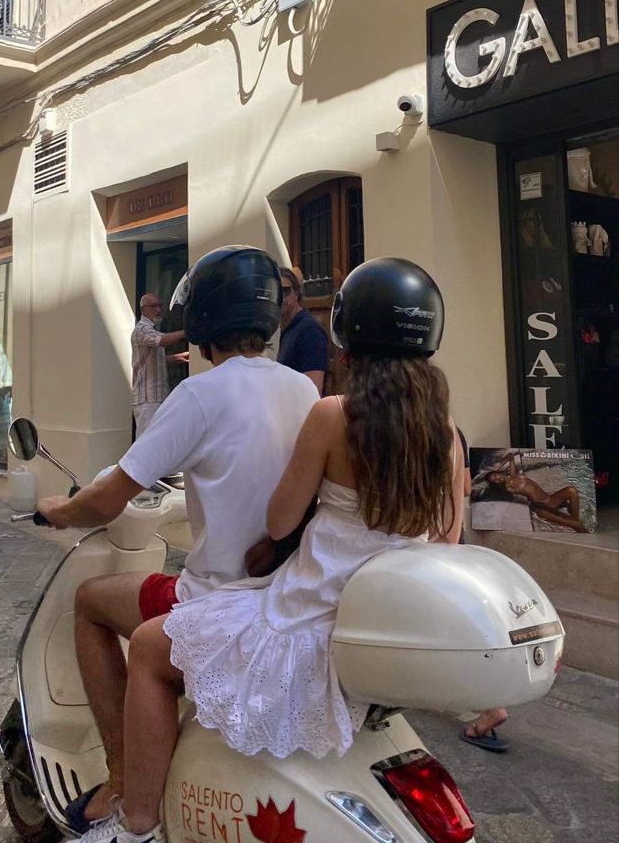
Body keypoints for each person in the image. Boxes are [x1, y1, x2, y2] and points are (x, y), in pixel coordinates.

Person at [75, 257, 464, 843]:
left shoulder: (334, 415)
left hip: (306, 617)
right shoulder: (450, 439)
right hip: (375, 623)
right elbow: (447, 542)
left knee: (154, 650)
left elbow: (281, 519)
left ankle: (136, 822)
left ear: (346, 340)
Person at [36, 247, 319, 830]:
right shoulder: (303, 391)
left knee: (90, 601)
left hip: (214, 601)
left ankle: (123, 786)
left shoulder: (199, 394)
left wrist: (61, 512)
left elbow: (111, 495)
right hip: (281, 597)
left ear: (206, 319)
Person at [457, 428, 509, 754]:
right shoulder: (454, 431)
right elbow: (464, 486)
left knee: (457, 626)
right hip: (451, 532)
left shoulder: (398, 422)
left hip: (421, 537)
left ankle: (491, 704)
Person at [131, 294, 188, 437]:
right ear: (143, 310)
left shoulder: (152, 329)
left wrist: (177, 358)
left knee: (156, 440)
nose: (158, 310)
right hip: (148, 398)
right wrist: (187, 331)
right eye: (153, 306)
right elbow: (162, 340)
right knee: (146, 443)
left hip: (158, 396)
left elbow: (149, 360)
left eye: (160, 306)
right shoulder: (142, 329)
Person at [487, 454, 589, 533]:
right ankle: (579, 528)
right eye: (495, 480)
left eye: (496, 476)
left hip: (549, 499)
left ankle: (574, 518)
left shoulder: (513, 475)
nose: (497, 478)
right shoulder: (508, 487)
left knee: (572, 490)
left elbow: (510, 457)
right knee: (576, 524)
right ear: (496, 484)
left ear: (498, 473)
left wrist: (497, 469)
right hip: (543, 507)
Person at [276, 267, 329, 394]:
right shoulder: (289, 328)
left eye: (286, 291)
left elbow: (313, 390)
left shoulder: (310, 331)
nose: (281, 298)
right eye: (277, 292)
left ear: (296, 293)